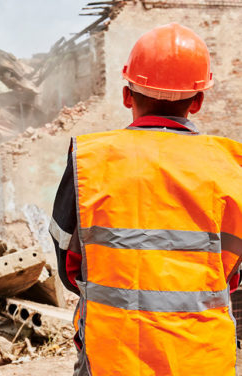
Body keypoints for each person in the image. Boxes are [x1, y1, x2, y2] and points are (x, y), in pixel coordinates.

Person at [49, 23, 242, 376]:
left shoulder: (89, 159)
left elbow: (69, 264)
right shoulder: (231, 165)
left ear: (127, 95)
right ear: (198, 101)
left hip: (112, 356)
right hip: (203, 358)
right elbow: (234, 273)